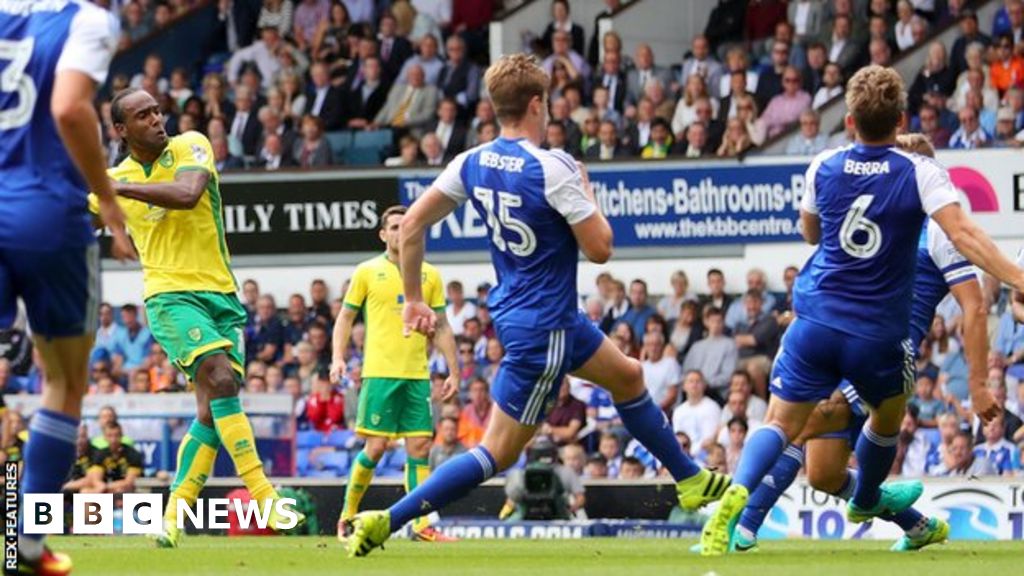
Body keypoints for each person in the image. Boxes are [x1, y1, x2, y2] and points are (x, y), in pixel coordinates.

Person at [345, 54, 729, 558]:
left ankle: (690, 480)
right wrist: (586, 189)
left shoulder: (471, 161)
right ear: (536, 104)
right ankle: (388, 519)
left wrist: (413, 299)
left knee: (630, 377)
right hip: (545, 327)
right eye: (546, 103)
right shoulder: (553, 167)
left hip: (540, 316)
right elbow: (600, 250)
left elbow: (412, 226)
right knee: (497, 451)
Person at [699, 66, 1024, 556]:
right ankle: (883, 506)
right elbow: (968, 238)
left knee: (797, 430)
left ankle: (743, 512)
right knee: (841, 452)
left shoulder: (826, 165)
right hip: (874, 340)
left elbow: (812, 234)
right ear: (899, 120)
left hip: (830, 325)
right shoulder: (917, 180)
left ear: (848, 119)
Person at [91, 88, 302, 549]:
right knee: (221, 380)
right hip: (170, 296)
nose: (156, 119)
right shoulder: (113, 176)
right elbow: (71, 223)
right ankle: (266, 496)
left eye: (156, 111)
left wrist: (115, 190)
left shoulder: (191, 144)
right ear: (121, 131)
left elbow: (187, 195)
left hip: (223, 297)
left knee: (210, 412)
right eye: (142, 115)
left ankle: (170, 516)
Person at [2, 2, 135, 573]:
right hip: (48, 215)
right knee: (64, 382)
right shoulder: (87, 20)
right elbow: (67, 107)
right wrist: (107, 196)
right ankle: (27, 543)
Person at [331, 205, 459, 542]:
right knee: (375, 448)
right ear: (383, 234)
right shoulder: (367, 271)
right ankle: (346, 515)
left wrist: (454, 372)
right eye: (395, 227)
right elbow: (345, 318)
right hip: (380, 374)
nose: (401, 232)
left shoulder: (430, 275)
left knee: (419, 447)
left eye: (407, 226)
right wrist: (337, 358)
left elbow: (443, 326)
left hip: (417, 375)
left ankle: (421, 524)